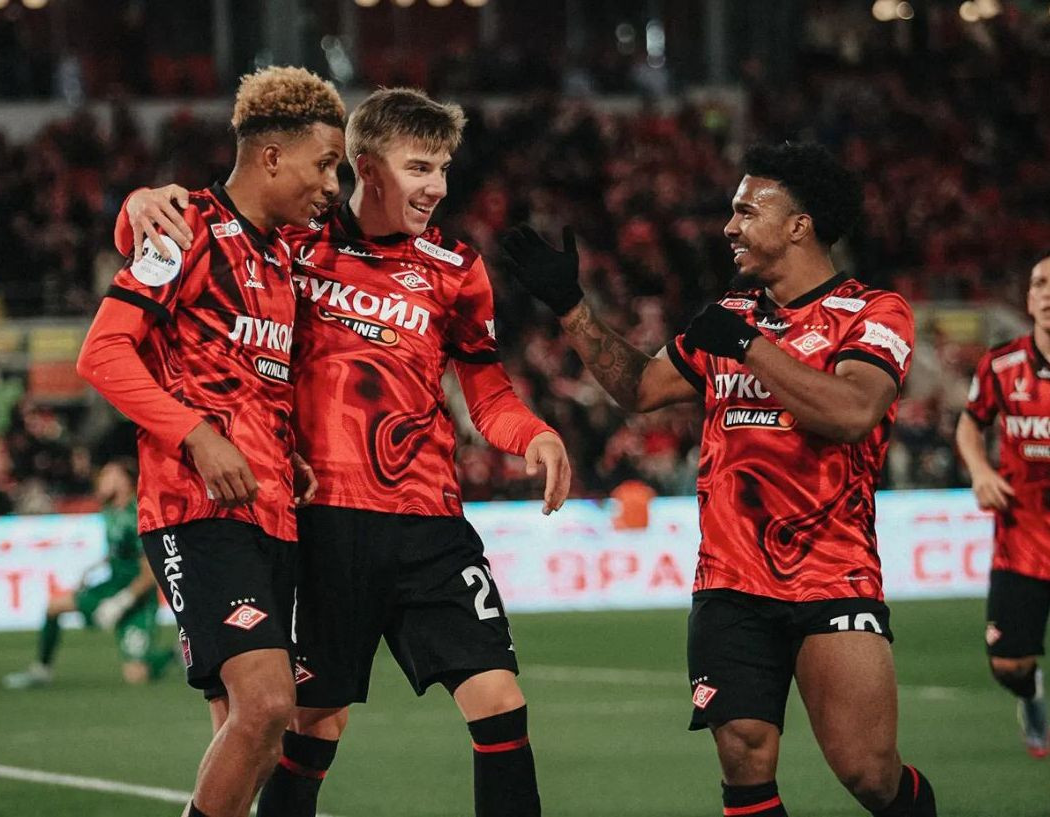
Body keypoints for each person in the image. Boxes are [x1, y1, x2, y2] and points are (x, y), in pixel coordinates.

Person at [119, 87, 570, 817]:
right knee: (312, 722)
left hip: (429, 521)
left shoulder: (455, 265)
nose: (437, 186)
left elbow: (486, 391)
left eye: (443, 169)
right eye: (419, 167)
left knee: (499, 700)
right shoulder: (294, 241)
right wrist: (140, 201)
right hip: (322, 522)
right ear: (366, 165)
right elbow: (199, 233)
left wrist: (534, 434)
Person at [501, 142, 936, 816]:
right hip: (729, 581)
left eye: (747, 211)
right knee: (744, 754)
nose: (729, 227)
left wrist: (747, 346)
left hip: (831, 575)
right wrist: (571, 307)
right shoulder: (733, 314)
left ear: (800, 224)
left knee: (868, 773)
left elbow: (853, 412)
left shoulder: (870, 312)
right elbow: (642, 387)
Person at [76, 66, 344, 817]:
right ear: (271, 157)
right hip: (195, 509)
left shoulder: (281, 256)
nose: (333, 186)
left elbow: (251, 379)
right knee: (268, 702)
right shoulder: (184, 228)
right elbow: (102, 353)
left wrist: (283, 448)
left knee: (251, 728)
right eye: (325, 164)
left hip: (272, 511)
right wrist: (197, 436)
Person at [956, 254, 1050, 758]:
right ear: (1029, 299)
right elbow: (970, 424)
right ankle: (1030, 695)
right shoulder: (1000, 365)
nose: (1049, 293)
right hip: (1023, 540)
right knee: (1009, 666)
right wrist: (980, 471)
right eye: (1040, 284)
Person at [2, 458, 171, 689]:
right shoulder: (111, 510)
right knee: (54, 606)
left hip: (137, 598)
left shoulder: (139, 514)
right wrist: (93, 568)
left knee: (136, 675)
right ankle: (42, 670)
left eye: (109, 475)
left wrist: (120, 603)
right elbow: (122, 550)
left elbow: (150, 573)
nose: (102, 480)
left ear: (125, 482)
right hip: (111, 586)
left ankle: (175, 655)